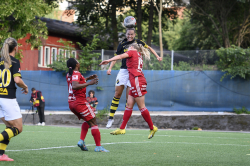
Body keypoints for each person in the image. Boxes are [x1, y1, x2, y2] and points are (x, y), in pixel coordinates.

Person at [106, 27, 162, 128]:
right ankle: (110, 118)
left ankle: (124, 122)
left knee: (129, 98)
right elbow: (117, 56)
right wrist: (110, 67)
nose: (130, 36)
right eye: (128, 34)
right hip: (124, 70)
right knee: (117, 93)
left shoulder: (138, 43)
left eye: (131, 34)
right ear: (126, 34)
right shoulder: (122, 44)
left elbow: (149, 48)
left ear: (134, 35)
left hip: (132, 73)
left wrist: (157, 56)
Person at [100, 43, 158, 139]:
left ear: (132, 47)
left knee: (141, 106)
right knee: (129, 104)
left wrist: (109, 60)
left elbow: (120, 56)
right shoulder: (139, 54)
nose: (127, 49)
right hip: (135, 80)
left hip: (137, 80)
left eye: (128, 47)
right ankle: (122, 128)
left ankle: (152, 127)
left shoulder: (132, 51)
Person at [66, 58, 109, 152]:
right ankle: (98, 147)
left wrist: (87, 78)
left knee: (88, 121)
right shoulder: (76, 73)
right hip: (79, 102)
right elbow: (75, 85)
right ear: (76, 65)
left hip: (71, 103)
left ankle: (81, 141)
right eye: (78, 61)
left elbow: (76, 82)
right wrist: (89, 83)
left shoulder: (69, 74)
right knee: (94, 122)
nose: (79, 62)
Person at [0, 37, 29, 161]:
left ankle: (1, 154)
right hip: (8, 99)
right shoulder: (14, 61)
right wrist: (25, 86)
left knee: (9, 126)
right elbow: (17, 80)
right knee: (18, 128)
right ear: (15, 48)